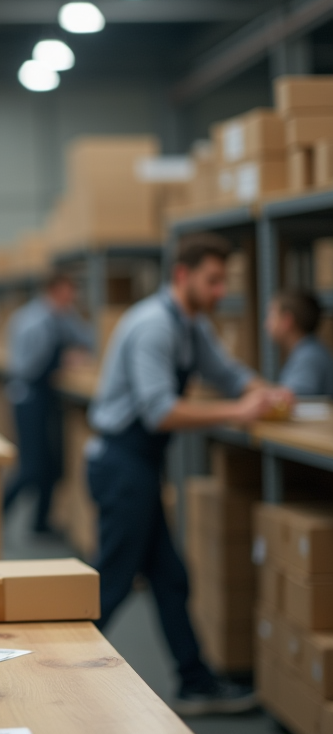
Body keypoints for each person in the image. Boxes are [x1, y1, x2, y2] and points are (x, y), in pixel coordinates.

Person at [87, 233, 293, 715]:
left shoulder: (192, 326)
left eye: (225, 281)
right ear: (183, 276)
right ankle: (51, 671)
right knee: (114, 582)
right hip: (119, 463)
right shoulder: (154, 326)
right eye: (213, 280)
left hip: (139, 464)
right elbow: (159, 412)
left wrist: (266, 393)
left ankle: (195, 682)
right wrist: (237, 412)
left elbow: (227, 372)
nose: (222, 290)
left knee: (169, 578)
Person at [2, 271, 93, 533]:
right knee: (31, 468)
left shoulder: (62, 317)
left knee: (52, 466)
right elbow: (25, 367)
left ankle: (40, 523)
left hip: (47, 398)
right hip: (28, 397)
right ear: (53, 291)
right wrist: (62, 359)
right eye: (68, 293)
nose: (72, 298)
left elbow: (88, 340)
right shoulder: (32, 320)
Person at [267, 289, 333, 397]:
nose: (266, 323)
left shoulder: (309, 357)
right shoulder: (307, 351)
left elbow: (289, 398)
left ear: (286, 320)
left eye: (272, 315)